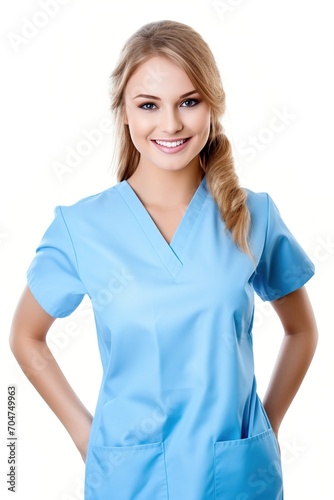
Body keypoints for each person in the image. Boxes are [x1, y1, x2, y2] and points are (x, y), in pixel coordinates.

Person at [9, 20, 318, 500]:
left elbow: (302, 330)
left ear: (212, 105)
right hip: (129, 481)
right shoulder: (82, 228)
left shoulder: (254, 216)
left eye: (189, 102)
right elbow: (26, 336)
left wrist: (264, 430)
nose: (170, 124)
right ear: (125, 113)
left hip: (238, 478)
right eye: (149, 105)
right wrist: (84, 436)